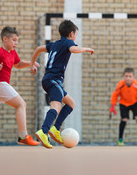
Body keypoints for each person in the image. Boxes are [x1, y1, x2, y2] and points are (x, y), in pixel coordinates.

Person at [30, 20, 94, 149]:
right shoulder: (68, 43)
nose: (76, 37)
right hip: (54, 81)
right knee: (56, 107)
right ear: (71, 34)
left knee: (71, 103)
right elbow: (74, 49)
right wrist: (86, 49)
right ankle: (43, 131)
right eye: (76, 34)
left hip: (49, 80)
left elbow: (38, 49)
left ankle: (55, 129)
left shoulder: (55, 44)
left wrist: (32, 63)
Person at [109, 67, 137, 146]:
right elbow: (115, 95)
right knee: (124, 119)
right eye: (126, 76)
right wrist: (112, 106)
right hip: (124, 103)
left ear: (133, 76)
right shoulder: (120, 85)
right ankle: (120, 139)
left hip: (135, 102)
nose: (128, 78)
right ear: (123, 76)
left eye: (130, 76)